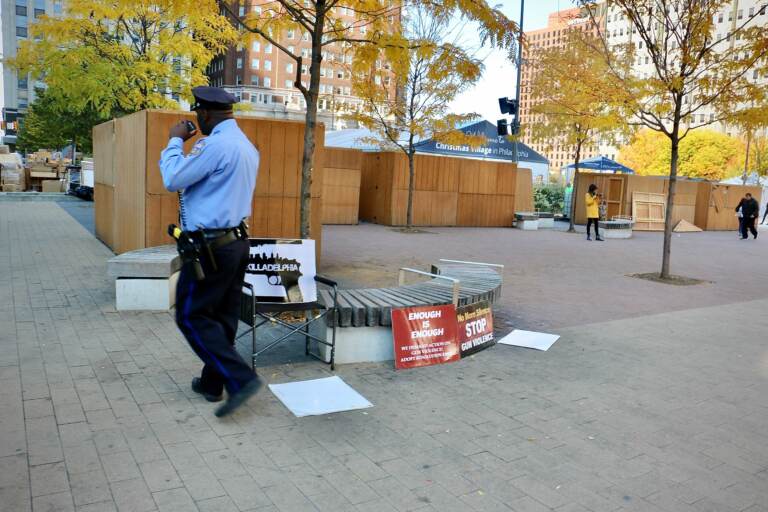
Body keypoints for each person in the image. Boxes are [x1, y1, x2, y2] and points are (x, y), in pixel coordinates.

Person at [159, 86, 261, 417]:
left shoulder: (215, 145)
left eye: (197, 116)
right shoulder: (246, 146)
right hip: (236, 242)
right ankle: (212, 383)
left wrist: (175, 140)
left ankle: (239, 378)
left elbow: (173, 178)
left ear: (205, 114)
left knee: (191, 315)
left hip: (211, 248)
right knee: (222, 317)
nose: (195, 122)